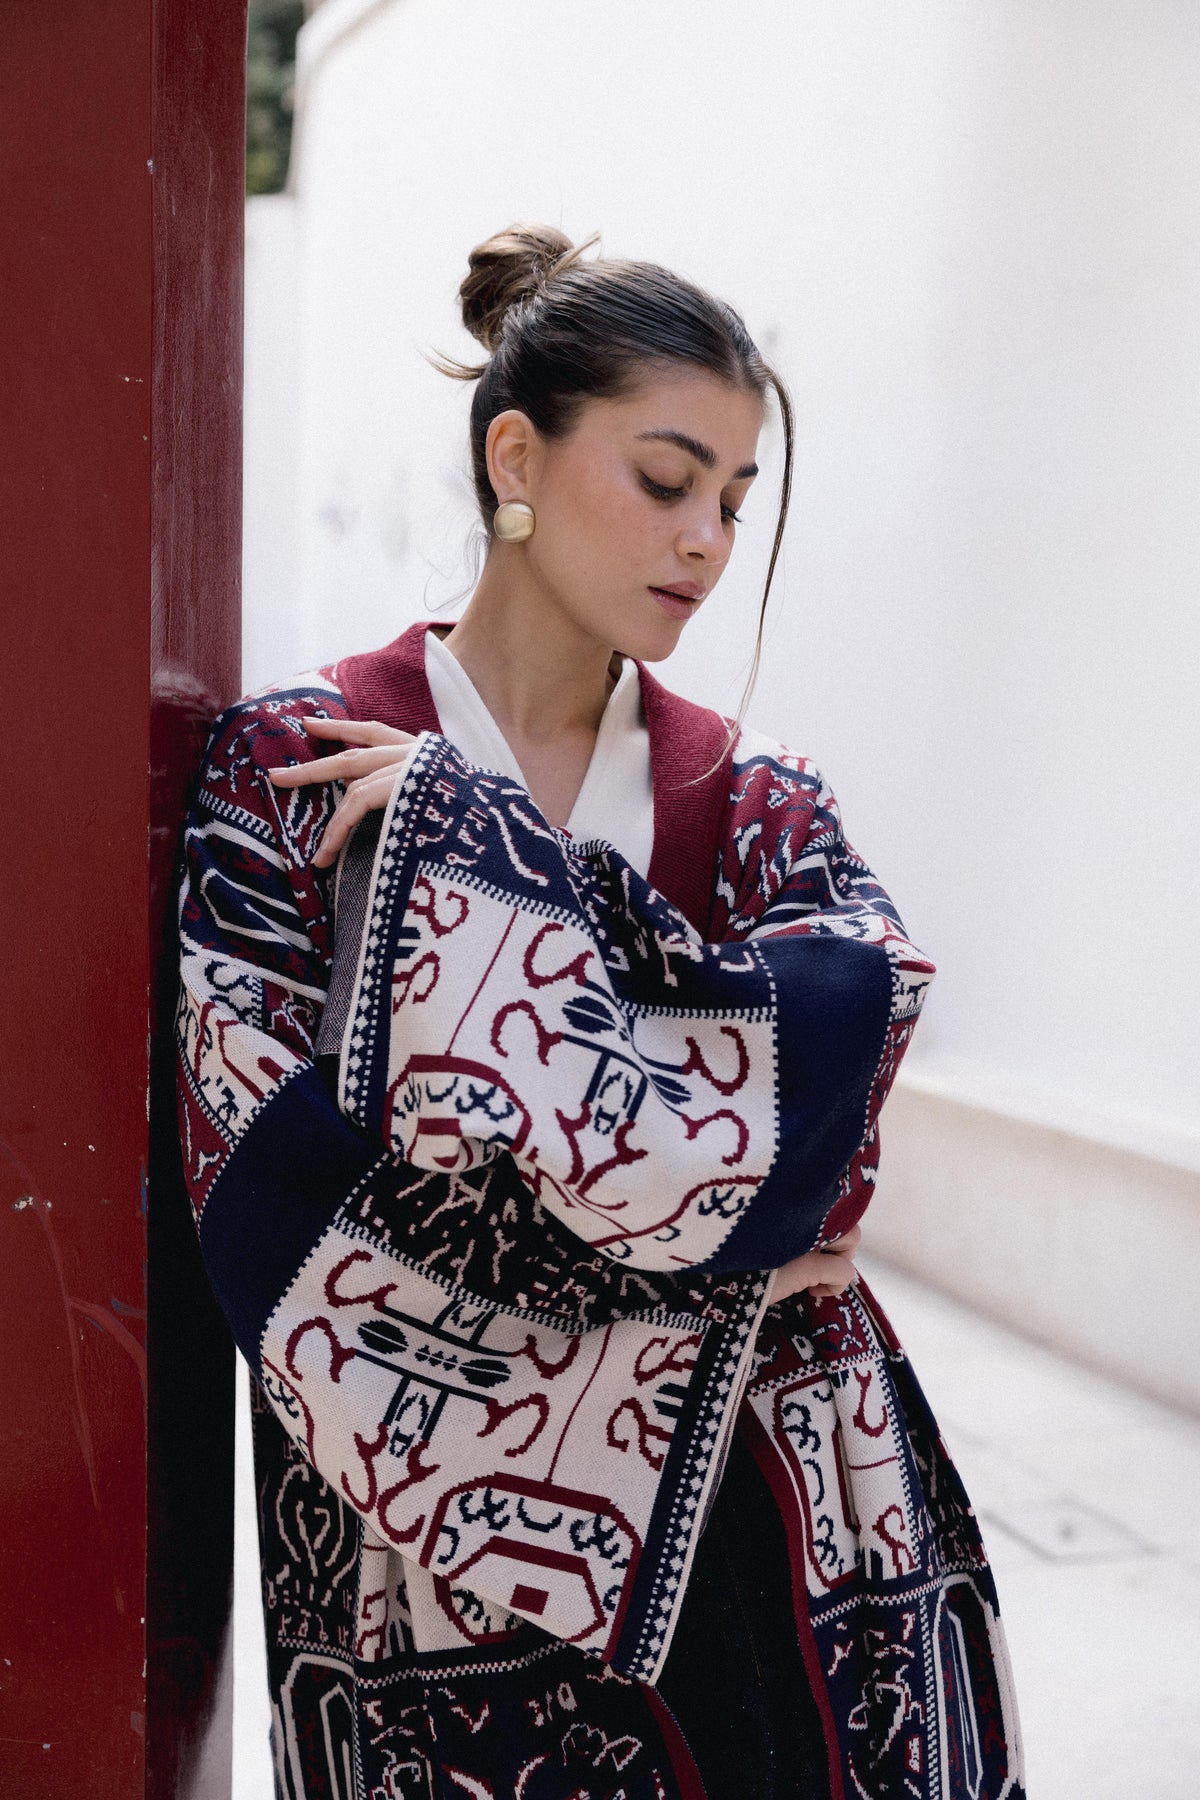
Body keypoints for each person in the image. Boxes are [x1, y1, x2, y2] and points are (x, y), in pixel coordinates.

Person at [177, 225, 1024, 1800]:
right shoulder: (291, 769)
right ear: (517, 457)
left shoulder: (758, 803)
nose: (705, 539)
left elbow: (828, 1133)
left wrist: (480, 857)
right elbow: (264, 1199)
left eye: (735, 501)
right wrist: (703, 1238)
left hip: (784, 1531)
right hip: (418, 1577)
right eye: (665, 478)